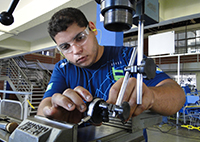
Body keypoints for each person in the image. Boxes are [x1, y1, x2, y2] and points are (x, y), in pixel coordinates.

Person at [37, 7, 185, 126]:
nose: (76, 51)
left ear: (92, 28)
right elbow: (44, 106)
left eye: (80, 38)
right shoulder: (63, 68)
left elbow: (177, 95)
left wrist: (150, 96)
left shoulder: (127, 57)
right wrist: (52, 112)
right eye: (65, 47)